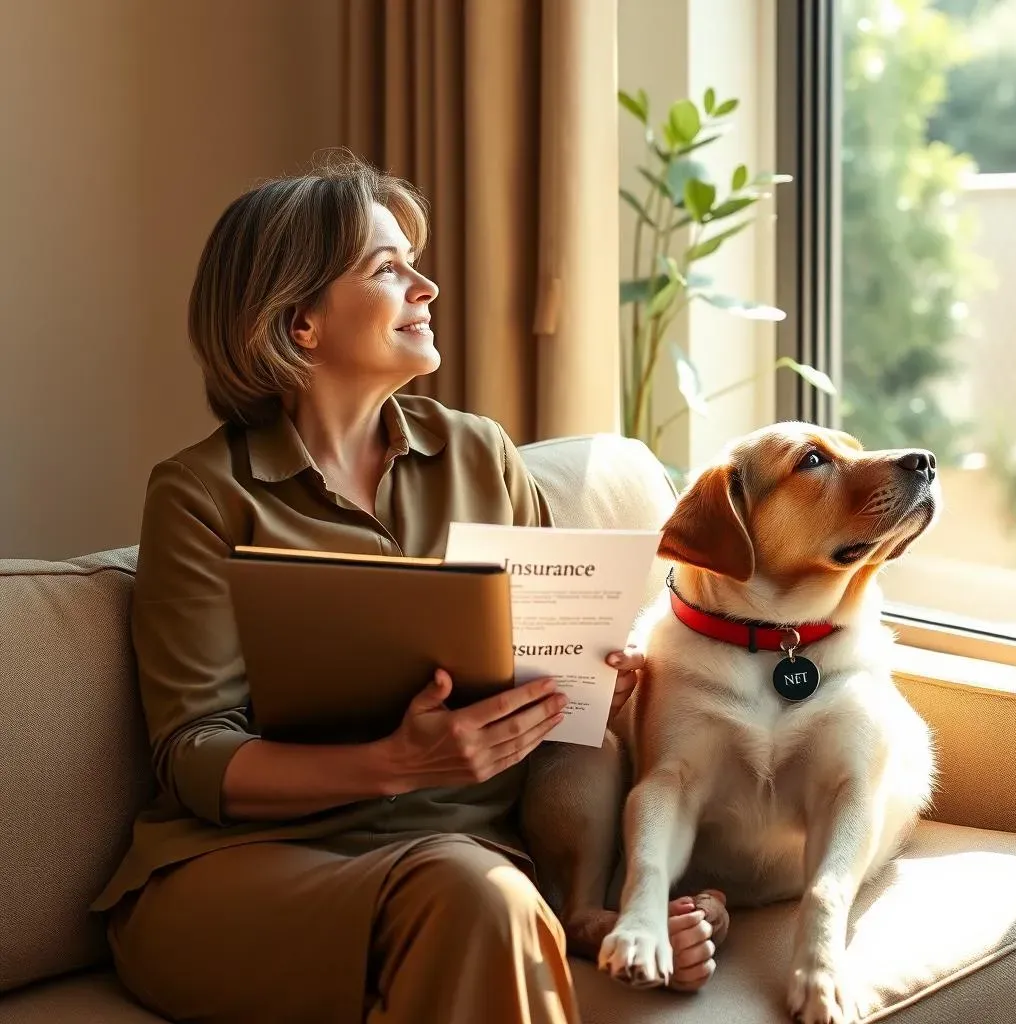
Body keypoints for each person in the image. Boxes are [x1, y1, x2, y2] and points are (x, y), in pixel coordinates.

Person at [91, 152, 721, 1024]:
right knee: (480, 895)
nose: (426, 287)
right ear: (300, 321)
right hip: (249, 870)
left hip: (463, 861)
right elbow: (194, 753)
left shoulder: (478, 453)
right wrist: (400, 763)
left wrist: (589, 683)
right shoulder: (200, 494)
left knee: (482, 888)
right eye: (388, 269)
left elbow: (548, 672)